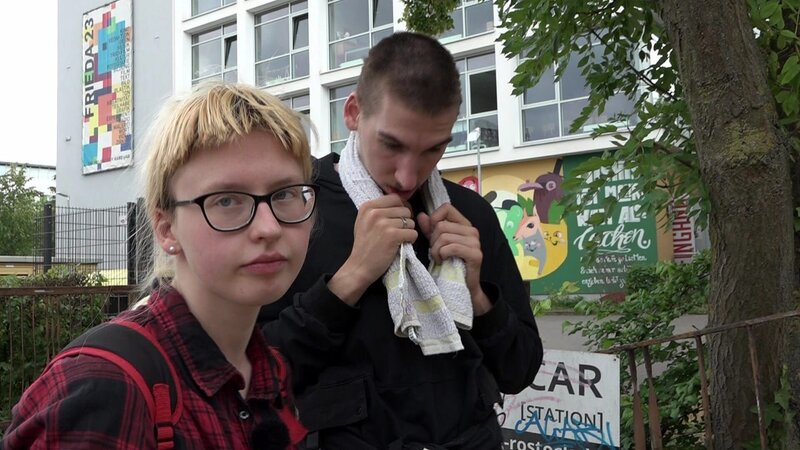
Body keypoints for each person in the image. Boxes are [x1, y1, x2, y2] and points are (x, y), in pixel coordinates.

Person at [260, 32, 543, 449]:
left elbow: (519, 371)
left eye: (433, 150)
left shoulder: (470, 215)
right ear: (353, 112)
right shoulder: (293, 207)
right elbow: (253, 376)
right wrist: (351, 278)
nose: (408, 176)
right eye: (392, 145)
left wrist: (478, 297)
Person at [3, 82, 314, 449]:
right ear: (167, 229)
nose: (269, 227)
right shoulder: (107, 385)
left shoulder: (269, 369)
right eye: (227, 200)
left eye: (285, 194)